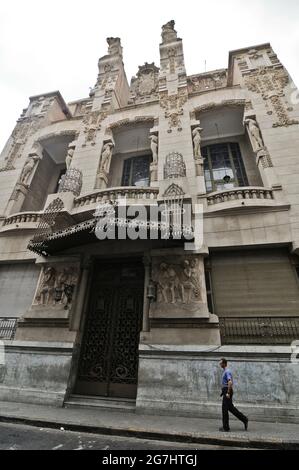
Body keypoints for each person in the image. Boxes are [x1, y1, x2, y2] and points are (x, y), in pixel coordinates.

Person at [219, 358, 248, 432]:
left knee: (224, 409)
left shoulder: (227, 372)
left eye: (221, 363)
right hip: (226, 391)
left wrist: (228, 393)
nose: (220, 364)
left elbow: (230, 382)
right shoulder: (225, 371)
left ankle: (226, 427)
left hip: (227, 391)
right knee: (231, 408)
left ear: (224, 364)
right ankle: (244, 419)